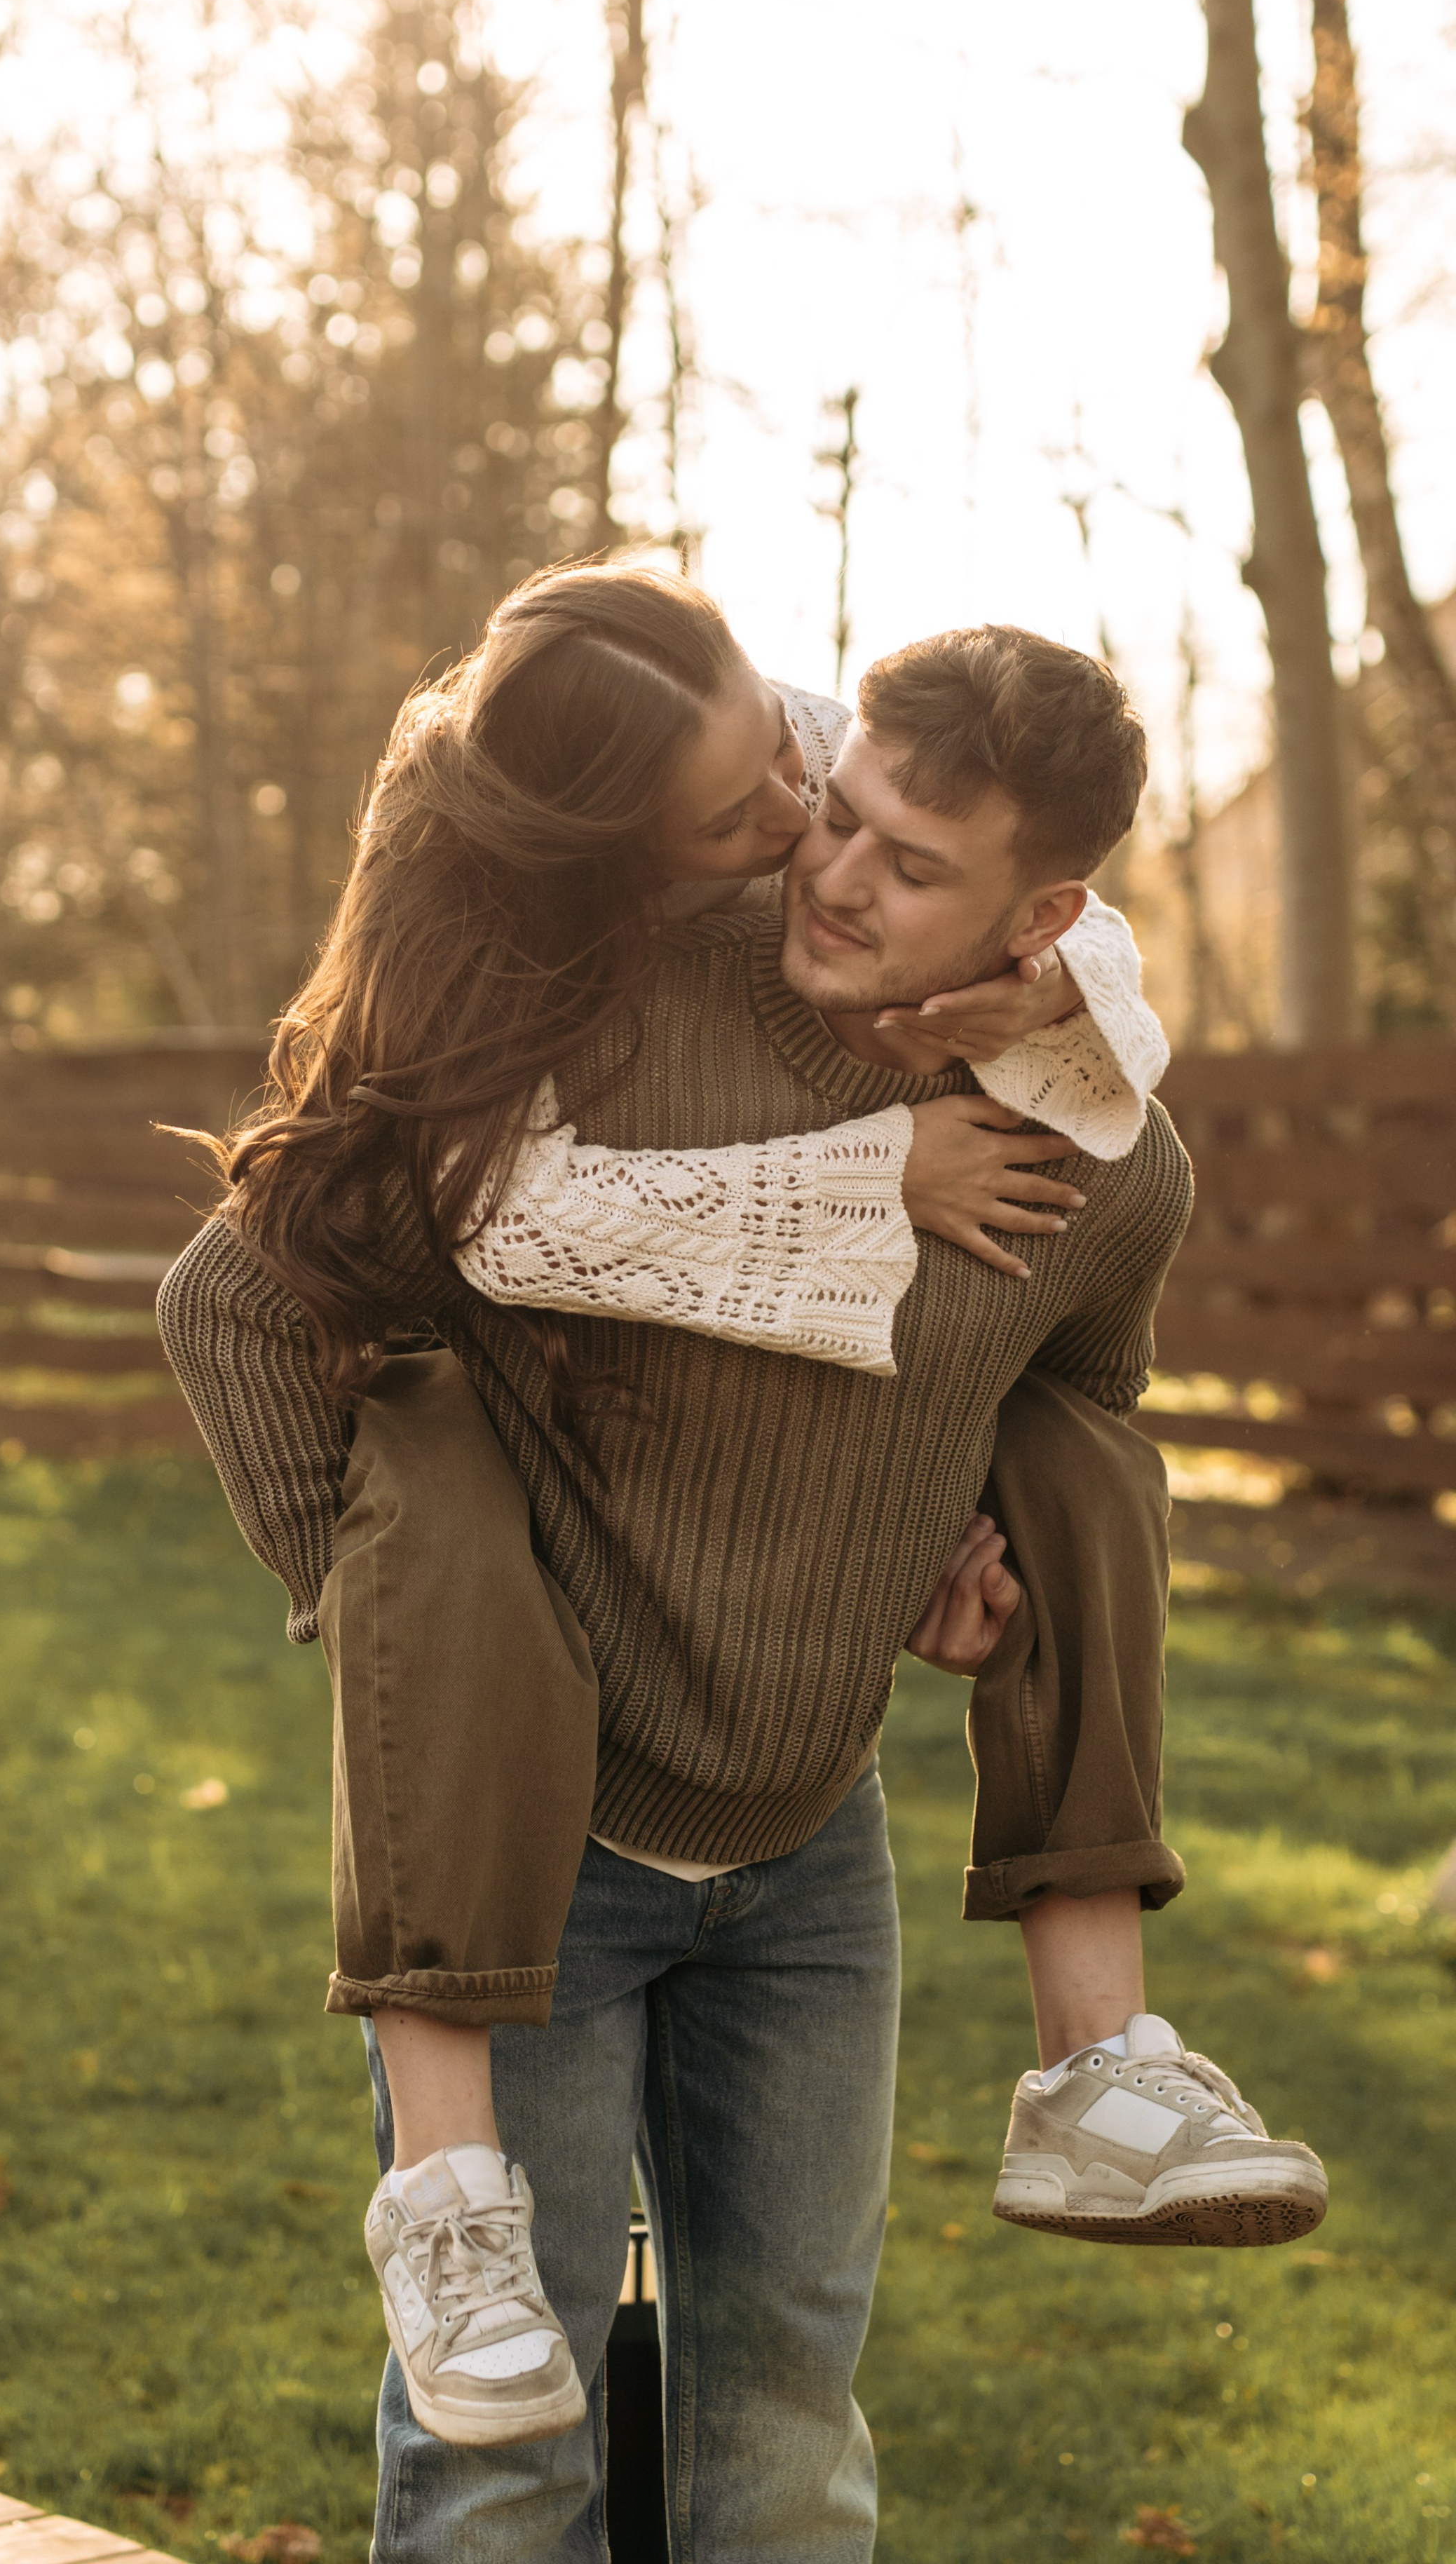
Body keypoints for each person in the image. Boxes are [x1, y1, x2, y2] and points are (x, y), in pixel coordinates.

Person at [161, 569, 1326, 2557]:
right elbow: (239, 1294)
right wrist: (386, 1635)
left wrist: (987, 1574)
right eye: (831, 807)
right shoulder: (594, 1016)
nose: (828, 866)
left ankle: (1100, 2056)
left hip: (814, 1854)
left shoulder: (1106, 1168)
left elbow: (1061, 1418)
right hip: (557, 1847)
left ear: (1048, 923)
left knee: (784, 2430)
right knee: (501, 2458)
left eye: (909, 858)